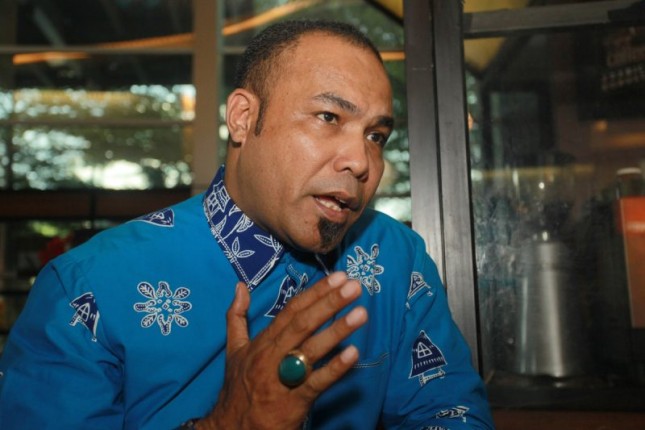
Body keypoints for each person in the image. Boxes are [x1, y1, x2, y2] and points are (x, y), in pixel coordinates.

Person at [0, 20, 494, 429]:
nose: (361, 161)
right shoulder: (87, 289)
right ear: (242, 118)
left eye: (376, 136)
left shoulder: (397, 260)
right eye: (328, 117)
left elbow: (450, 413)